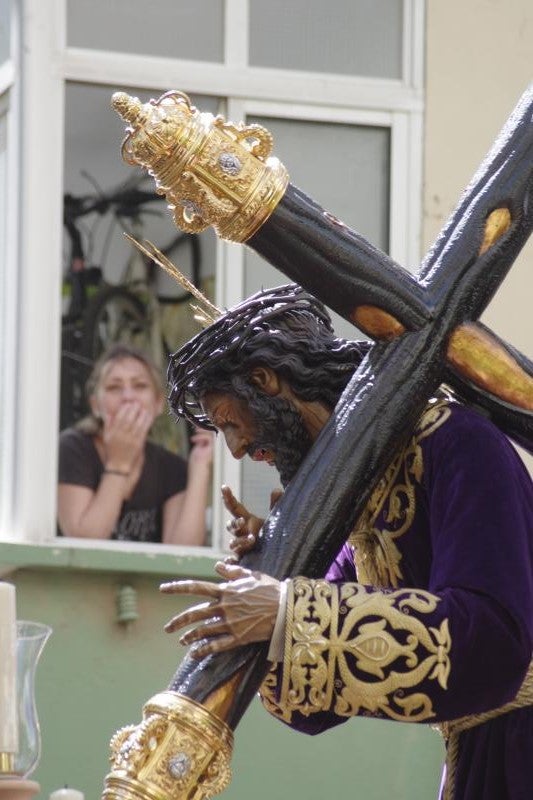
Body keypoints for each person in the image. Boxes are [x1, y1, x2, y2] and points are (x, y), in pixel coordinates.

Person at [158, 284, 533, 800]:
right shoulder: (361, 498)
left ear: (266, 382)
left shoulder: (458, 444)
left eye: (230, 422)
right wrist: (265, 581)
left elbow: (494, 644)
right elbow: (315, 706)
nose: (238, 448)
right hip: (475, 761)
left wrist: (287, 611)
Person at [57, 343, 213, 545]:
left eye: (140, 386)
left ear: (158, 404)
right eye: (114, 387)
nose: (128, 397)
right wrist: (119, 464)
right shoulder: (74, 448)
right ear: (96, 406)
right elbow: (84, 541)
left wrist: (200, 467)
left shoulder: (171, 468)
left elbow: (184, 553)